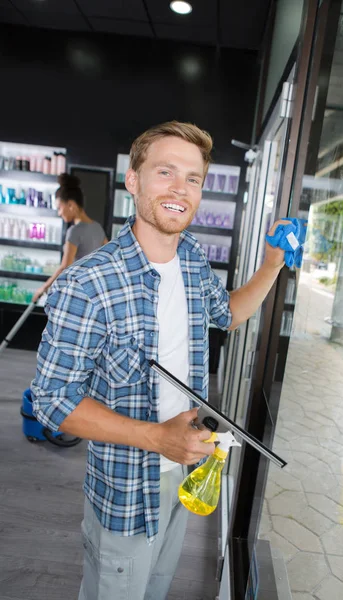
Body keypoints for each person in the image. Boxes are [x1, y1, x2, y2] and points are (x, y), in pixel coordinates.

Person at [31, 121, 288, 600]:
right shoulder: (87, 284)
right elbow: (51, 402)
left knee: (157, 589)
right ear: (133, 180)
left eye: (193, 178)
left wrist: (272, 262)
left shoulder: (190, 258)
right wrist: (157, 439)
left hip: (184, 475)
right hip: (127, 491)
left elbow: (227, 314)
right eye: (165, 171)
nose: (180, 188)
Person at [32, 173, 108, 302]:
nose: (59, 213)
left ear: (71, 205)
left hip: (77, 293)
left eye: (60, 208)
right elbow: (108, 258)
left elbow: (64, 266)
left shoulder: (74, 231)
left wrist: (43, 288)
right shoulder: (97, 227)